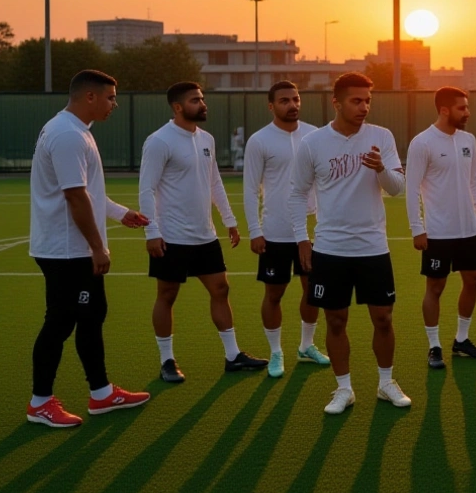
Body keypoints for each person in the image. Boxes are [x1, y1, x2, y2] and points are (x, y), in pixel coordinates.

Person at [27, 70, 152, 428]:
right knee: (61, 321)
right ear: (90, 97)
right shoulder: (68, 134)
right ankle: (40, 403)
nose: (115, 104)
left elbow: (88, 192)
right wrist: (97, 247)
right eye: (111, 97)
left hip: (69, 247)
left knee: (92, 315)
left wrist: (120, 213)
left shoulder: (75, 130)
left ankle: (101, 393)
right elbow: (75, 196)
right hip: (67, 250)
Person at [290, 73, 411, 414]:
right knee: (336, 321)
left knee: (383, 318)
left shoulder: (381, 137)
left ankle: (386, 383)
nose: (364, 107)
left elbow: (397, 188)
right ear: (337, 102)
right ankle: (344, 389)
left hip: (373, 247)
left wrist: (381, 169)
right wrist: (302, 238)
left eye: (367, 101)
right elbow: (297, 193)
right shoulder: (313, 143)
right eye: (356, 101)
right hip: (330, 249)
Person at [140, 82, 266, 383]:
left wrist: (229, 220)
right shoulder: (159, 141)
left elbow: (214, 182)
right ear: (178, 107)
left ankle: (233, 355)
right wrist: (151, 232)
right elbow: (146, 189)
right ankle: (167, 361)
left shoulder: (206, 138)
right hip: (171, 236)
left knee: (221, 289)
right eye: (195, 100)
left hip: (204, 235)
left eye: (202, 98)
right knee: (167, 295)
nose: (202, 103)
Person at [242, 81, 330, 379]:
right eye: (284, 101)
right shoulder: (259, 140)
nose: (292, 105)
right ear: (271, 106)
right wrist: (255, 230)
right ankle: (276, 352)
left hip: (312, 232)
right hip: (275, 232)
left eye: (295, 99)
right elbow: (250, 189)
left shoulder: (315, 135)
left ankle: (306, 346)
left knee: (313, 291)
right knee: (274, 294)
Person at [405, 87, 476, 370]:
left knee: (473, 279)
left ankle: (461, 340)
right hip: (438, 232)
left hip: (468, 230)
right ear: (444, 110)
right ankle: (434, 346)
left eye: (467, 107)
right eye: (461, 108)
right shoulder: (422, 143)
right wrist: (417, 228)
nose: (467, 112)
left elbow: (475, 179)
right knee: (436, 286)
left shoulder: (469, 140)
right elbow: (411, 188)